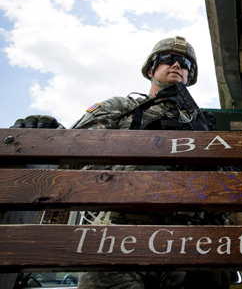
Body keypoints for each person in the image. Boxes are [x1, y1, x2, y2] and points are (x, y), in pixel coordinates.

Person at [12, 36, 229, 289]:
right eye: (169, 59)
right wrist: (46, 133)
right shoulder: (121, 107)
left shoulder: (204, 125)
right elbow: (72, 154)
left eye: (185, 64)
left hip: (191, 243)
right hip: (121, 236)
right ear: (151, 69)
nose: (177, 66)